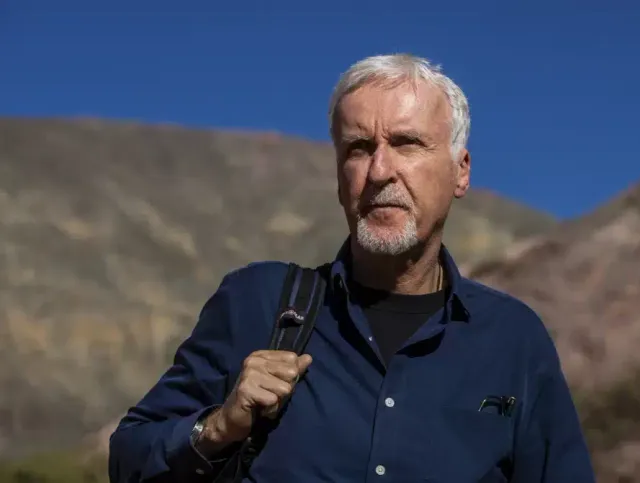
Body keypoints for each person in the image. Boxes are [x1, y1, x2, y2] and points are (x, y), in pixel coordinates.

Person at [108, 53, 596, 483]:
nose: (380, 171)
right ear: (340, 176)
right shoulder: (258, 303)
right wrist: (219, 427)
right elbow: (129, 458)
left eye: (406, 143)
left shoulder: (513, 342)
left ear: (460, 171)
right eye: (359, 149)